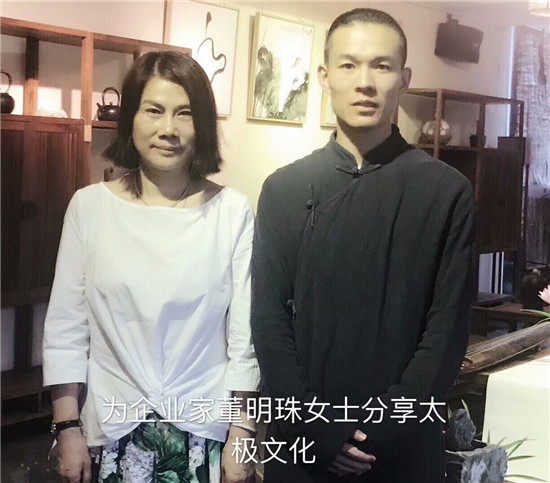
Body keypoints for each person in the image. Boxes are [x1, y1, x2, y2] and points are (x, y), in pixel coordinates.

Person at [251, 8, 475, 483]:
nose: (365, 82)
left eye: (382, 66)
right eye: (349, 65)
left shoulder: (446, 192)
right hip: (303, 443)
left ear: (404, 80)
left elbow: (446, 333)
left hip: (402, 447)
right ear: (324, 76)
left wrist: (378, 430)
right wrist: (316, 428)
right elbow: (268, 320)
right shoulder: (284, 189)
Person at [43, 51, 260, 483]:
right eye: (154, 110)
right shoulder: (89, 208)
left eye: (185, 113)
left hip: (204, 428)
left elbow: (245, 340)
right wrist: (66, 427)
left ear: (202, 126)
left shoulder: (231, 211)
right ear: (130, 119)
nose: (168, 129)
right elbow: (66, 329)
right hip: (111, 426)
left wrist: (244, 432)